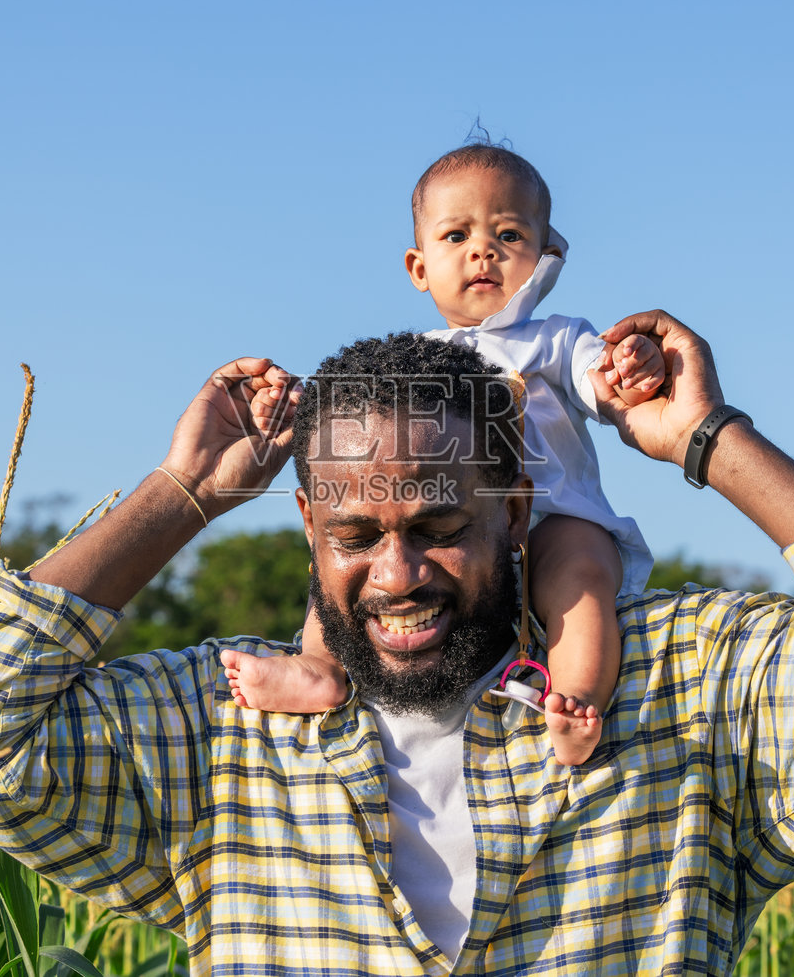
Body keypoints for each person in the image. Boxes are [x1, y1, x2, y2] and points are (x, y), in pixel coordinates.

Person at [0, 322, 794, 975]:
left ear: (515, 513)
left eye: (438, 528)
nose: (396, 574)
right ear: (308, 528)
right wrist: (179, 495)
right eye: (354, 534)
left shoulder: (676, 688)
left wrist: (709, 440)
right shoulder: (224, 726)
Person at [221, 143, 664, 766]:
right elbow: (355, 429)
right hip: (441, 520)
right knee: (351, 559)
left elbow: (602, 380)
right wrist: (287, 410)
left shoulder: (559, 337)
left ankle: (575, 698)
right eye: (456, 235)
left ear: (546, 256)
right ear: (419, 267)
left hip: (555, 515)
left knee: (583, 578)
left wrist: (627, 365)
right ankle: (318, 667)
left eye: (509, 234)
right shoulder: (418, 358)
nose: (482, 251)